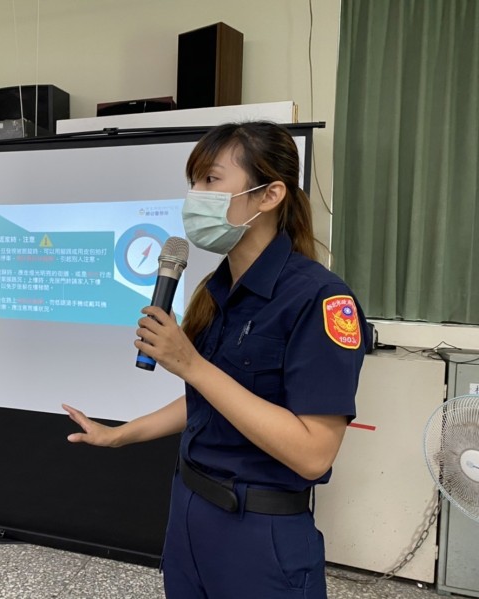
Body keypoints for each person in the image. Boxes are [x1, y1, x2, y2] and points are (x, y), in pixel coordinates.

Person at [62, 121, 368, 599]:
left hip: (259, 530)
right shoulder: (218, 289)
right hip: (189, 511)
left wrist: (191, 364)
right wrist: (121, 434)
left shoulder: (319, 299)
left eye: (211, 180)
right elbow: (212, 400)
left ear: (269, 195)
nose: (194, 197)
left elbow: (313, 455)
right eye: (194, 182)